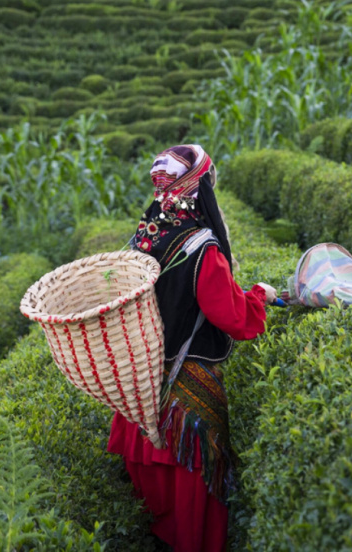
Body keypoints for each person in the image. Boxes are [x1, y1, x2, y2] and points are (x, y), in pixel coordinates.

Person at [107, 145, 277, 552]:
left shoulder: (141, 239)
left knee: (153, 513)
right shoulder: (200, 247)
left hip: (142, 394)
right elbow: (234, 318)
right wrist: (260, 296)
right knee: (191, 519)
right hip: (183, 408)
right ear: (200, 186)